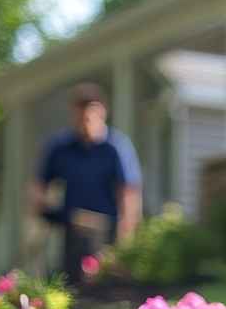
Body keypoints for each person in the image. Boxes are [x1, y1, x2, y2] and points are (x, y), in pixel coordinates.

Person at [30, 82, 142, 283]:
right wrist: (43, 211)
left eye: (90, 117)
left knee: (105, 283)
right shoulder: (60, 148)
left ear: (102, 113)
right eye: (80, 117)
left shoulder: (115, 147)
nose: (85, 123)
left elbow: (128, 192)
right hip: (72, 228)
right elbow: (39, 185)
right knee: (72, 282)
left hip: (108, 231)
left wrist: (126, 235)